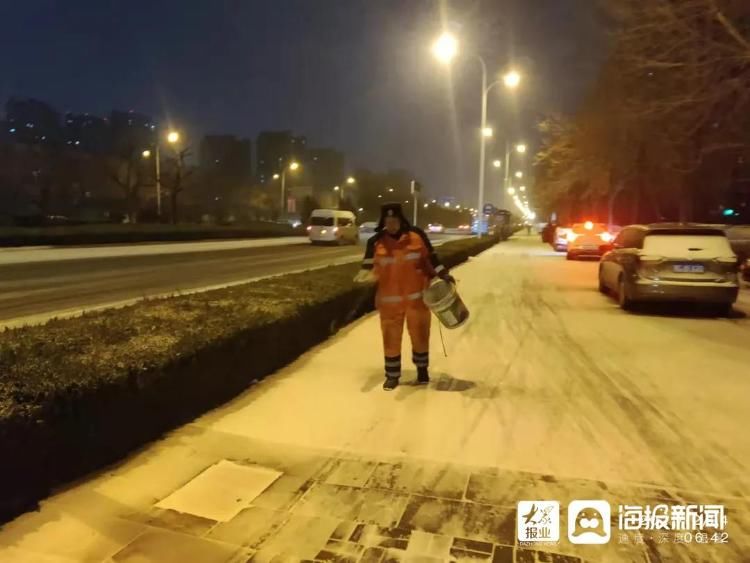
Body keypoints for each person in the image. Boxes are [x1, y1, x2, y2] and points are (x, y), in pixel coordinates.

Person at [354, 203, 454, 391]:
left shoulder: (417, 237)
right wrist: (365, 276)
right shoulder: (375, 242)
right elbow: (367, 268)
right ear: (383, 222)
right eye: (387, 221)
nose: (391, 224)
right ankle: (392, 376)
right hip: (389, 302)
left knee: (420, 335)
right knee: (391, 339)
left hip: (417, 299)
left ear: (401, 220)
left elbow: (431, 259)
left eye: (394, 220)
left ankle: (422, 370)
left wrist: (443, 274)